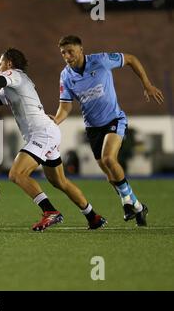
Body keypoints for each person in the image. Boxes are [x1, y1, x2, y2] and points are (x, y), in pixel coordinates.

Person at [0, 48, 106, 231]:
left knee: (16, 174)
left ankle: (50, 211)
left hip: (42, 134)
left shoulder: (15, 75)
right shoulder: (13, 86)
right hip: (47, 133)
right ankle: (93, 217)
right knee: (60, 182)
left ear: (9, 64)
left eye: (0, 63)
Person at [54, 35, 164, 226]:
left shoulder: (101, 60)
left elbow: (131, 59)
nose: (67, 56)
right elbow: (65, 107)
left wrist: (146, 84)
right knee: (109, 174)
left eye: (70, 51)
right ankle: (137, 206)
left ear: (81, 49)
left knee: (108, 159)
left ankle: (126, 201)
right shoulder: (65, 76)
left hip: (114, 119)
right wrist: (55, 121)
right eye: (63, 52)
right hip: (92, 128)